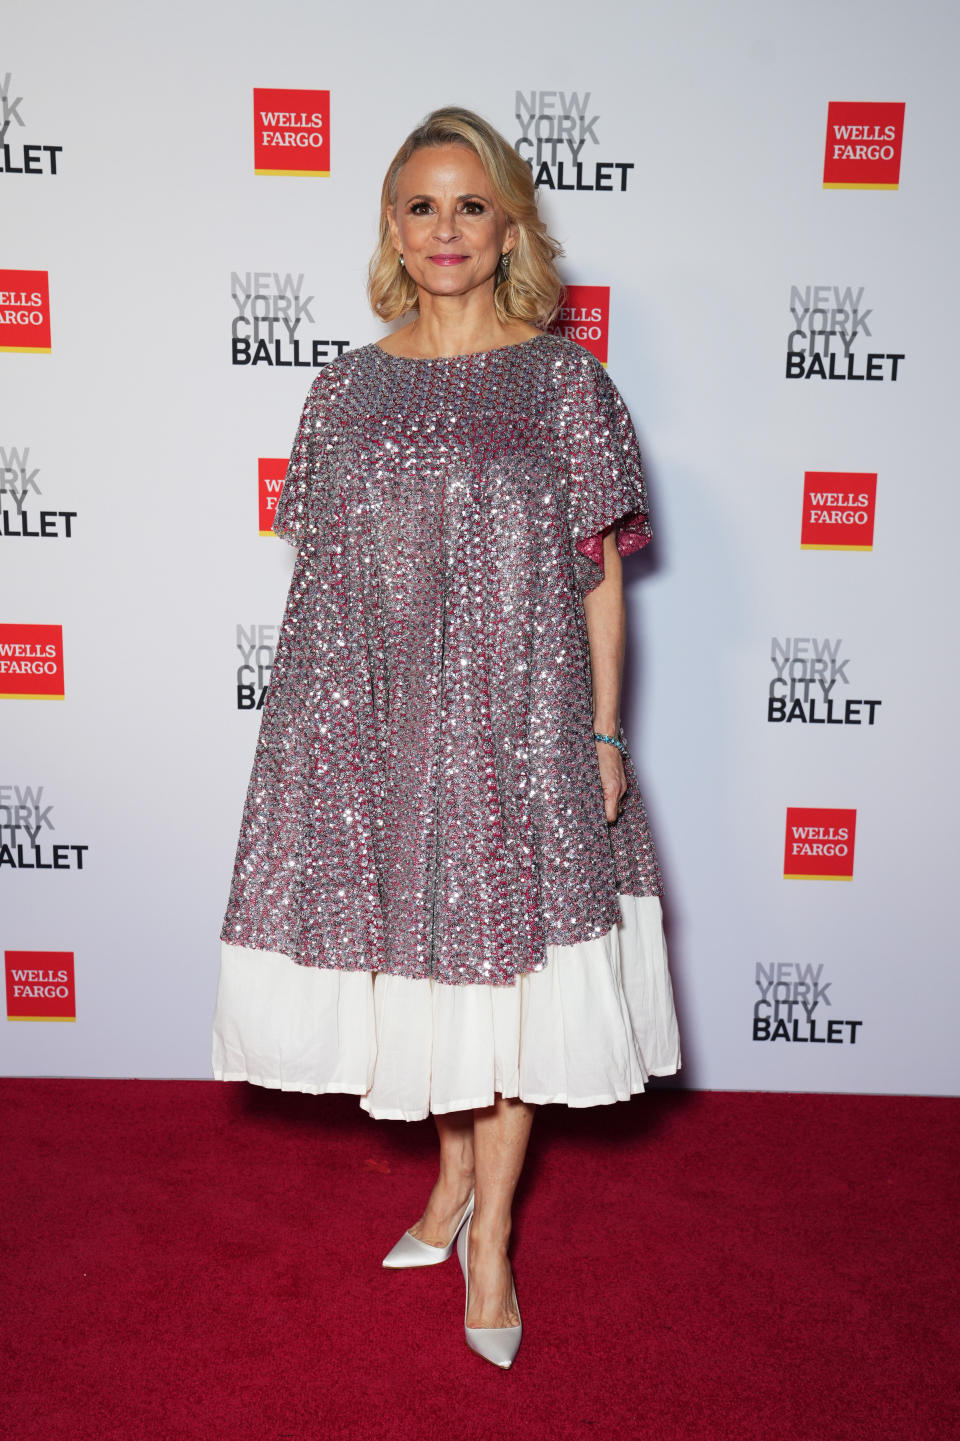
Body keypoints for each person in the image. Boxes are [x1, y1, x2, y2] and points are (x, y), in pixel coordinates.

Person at [212, 105, 680, 1370]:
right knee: (428, 979)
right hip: (391, 730)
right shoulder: (346, 387)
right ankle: (446, 1186)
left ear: (510, 222)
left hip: (525, 727)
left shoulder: (564, 381)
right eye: (421, 205)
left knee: (511, 995)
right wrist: (319, 746)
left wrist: (600, 730)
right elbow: (329, 595)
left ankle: (489, 1244)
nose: (446, 229)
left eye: (470, 204)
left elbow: (597, 579)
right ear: (392, 227)